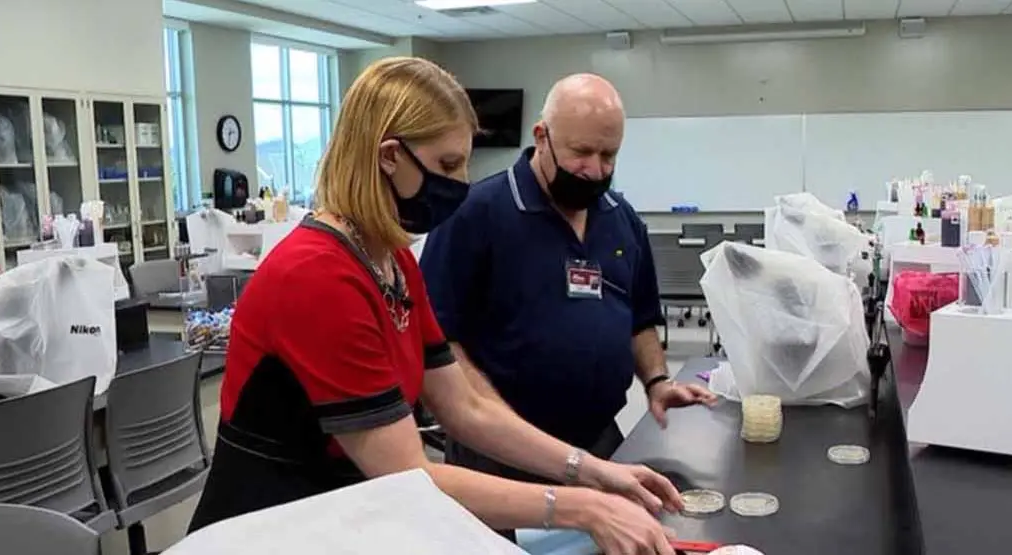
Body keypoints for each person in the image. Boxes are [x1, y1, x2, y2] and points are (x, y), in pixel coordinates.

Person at [187, 58, 685, 555]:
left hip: (345, 517)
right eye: (448, 165)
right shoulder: (317, 275)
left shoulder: (393, 259)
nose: (462, 182)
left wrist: (593, 471)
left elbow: (465, 406)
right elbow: (408, 471)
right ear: (388, 156)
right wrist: (582, 506)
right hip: (273, 530)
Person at [418, 73, 718, 537]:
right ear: (542, 137)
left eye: (609, 156)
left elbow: (639, 317)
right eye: (581, 153)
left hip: (600, 444)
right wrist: (488, 419)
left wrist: (657, 381)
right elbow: (439, 339)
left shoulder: (621, 219)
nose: (596, 170)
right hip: (500, 457)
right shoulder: (474, 215)